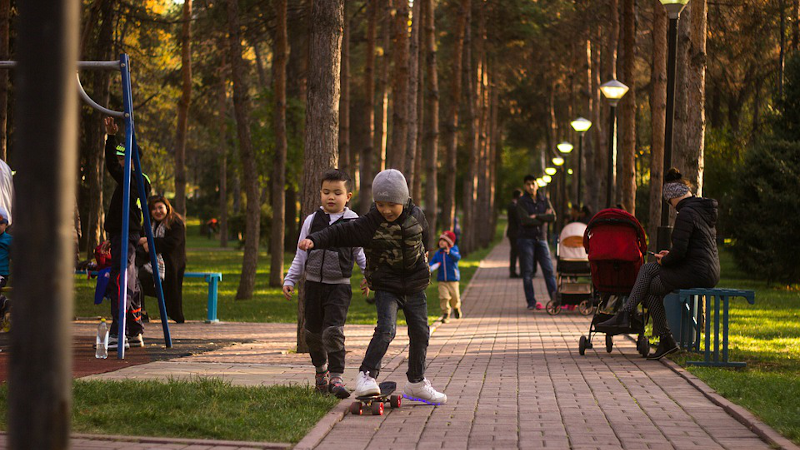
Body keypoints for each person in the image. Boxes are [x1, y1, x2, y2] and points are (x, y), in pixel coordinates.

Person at [299, 169, 447, 405]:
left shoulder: (416, 216)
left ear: (403, 200)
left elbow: (425, 237)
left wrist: (425, 256)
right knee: (387, 330)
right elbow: (341, 231)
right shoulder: (369, 223)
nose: (386, 210)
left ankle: (417, 382)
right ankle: (367, 376)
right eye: (380, 204)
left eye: (392, 205)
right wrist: (316, 239)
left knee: (421, 332)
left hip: (415, 286)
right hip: (387, 285)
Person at [597, 168, 721, 360]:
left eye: (669, 202)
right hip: (704, 269)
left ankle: (632, 317)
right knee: (649, 279)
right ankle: (658, 335)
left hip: (696, 272)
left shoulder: (685, 213)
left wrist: (666, 259)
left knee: (648, 279)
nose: (670, 206)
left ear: (673, 197)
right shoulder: (699, 210)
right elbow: (690, 249)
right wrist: (668, 255)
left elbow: (680, 253)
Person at [284, 169, 368, 398]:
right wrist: (290, 279)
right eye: (326, 192)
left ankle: (337, 378)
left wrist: (368, 275)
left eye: (337, 193)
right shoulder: (312, 221)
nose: (331, 197)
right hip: (312, 286)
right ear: (320, 193)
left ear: (348, 196)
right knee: (311, 333)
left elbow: (360, 253)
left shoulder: (353, 221)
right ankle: (321, 372)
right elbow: (300, 254)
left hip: (339, 287)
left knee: (332, 331)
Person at [103, 117, 150, 349]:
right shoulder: (133, 181)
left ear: (132, 160)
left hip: (126, 233)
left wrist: (111, 138)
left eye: (124, 158)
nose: (119, 162)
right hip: (123, 232)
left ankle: (117, 331)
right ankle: (134, 330)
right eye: (120, 158)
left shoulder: (133, 178)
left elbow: (111, 165)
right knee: (129, 279)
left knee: (121, 280)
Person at [138, 195, 187, 324]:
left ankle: (176, 316)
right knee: (134, 277)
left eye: (160, 207)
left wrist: (149, 242)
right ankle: (140, 312)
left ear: (167, 207)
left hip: (171, 264)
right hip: (150, 262)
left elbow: (172, 243)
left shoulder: (176, 223)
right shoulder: (150, 224)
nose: (157, 211)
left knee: (141, 278)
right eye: (154, 209)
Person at [516, 175, 557, 311]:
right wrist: (543, 217)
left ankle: (555, 299)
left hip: (542, 238)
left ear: (537, 185)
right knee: (527, 272)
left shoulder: (544, 199)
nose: (531, 186)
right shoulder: (521, 202)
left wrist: (538, 216)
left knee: (549, 270)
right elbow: (525, 220)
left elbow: (553, 217)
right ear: (525, 186)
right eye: (528, 184)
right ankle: (531, 302)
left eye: (533, 183)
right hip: (526, 239)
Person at [429, 230, 462, 324]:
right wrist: (430, 266)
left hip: (453, 280)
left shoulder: (454, 249)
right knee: (444, 297)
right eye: (440, 240)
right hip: (442, 280)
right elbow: (433, 262)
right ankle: (445, 314)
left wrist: (450, 252)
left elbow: (457, 258)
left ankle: (456, 307)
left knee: (455, 297)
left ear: (450, 242)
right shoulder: (438, 253)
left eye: (444, 241)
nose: (441, 242)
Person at [0, 208, 12, 327]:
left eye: (0, 224)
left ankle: (5, 303)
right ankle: (4, 305)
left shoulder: (9, 240)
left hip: (1, 273)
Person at [507, 189, 522, 278]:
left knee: (514, 252)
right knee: (516, 252)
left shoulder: (512, 205)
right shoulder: (514, 206)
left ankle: (514, 271)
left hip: (512, 233)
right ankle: (513, 271)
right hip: (515, 233)